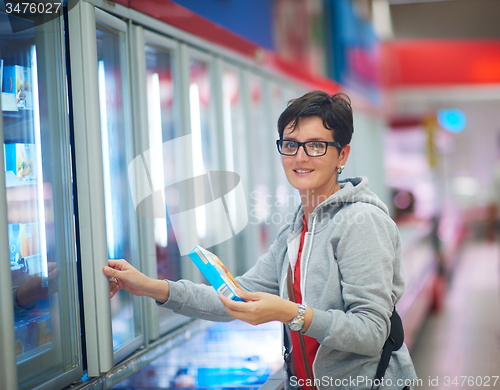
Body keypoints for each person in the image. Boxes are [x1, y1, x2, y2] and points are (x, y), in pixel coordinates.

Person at [104, 91, 418, 390]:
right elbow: (234, 297)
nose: (301, 157)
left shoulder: (361, 223)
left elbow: (371, 332)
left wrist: (291, 313)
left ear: (342, 154)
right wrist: (149, 287)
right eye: (291, 145)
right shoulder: (296, 230)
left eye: (316, 146)